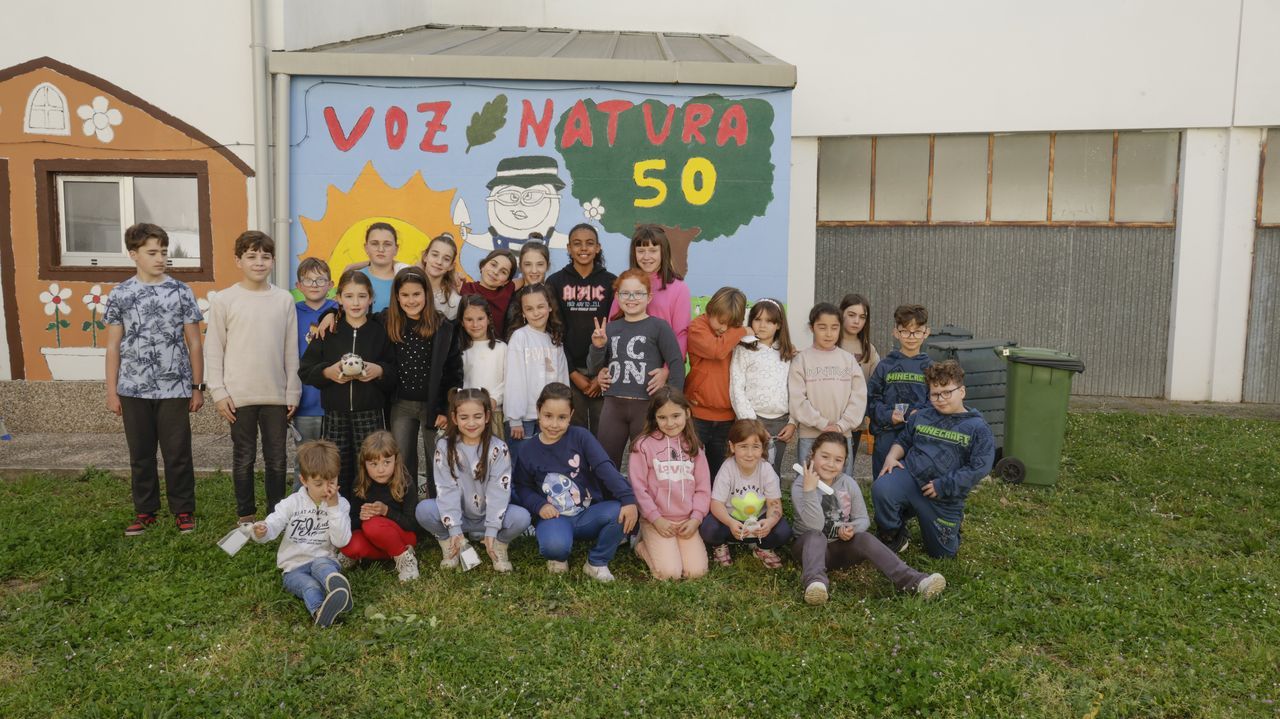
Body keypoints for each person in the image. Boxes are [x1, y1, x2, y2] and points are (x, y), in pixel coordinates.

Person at [104, 222, 205, 536]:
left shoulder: (180, 291)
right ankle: (145, 511)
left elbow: (194, 343)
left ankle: (183, 510)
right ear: (134, 255)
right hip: (133, 389)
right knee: (141, 455)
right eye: (152, 252)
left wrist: (197, 386)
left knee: (178, 453)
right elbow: (112, 345)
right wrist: (111, 391)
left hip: (174, 388)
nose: (160, 257)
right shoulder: (121, 294)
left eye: (163, 251)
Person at [204, 230, 300, 525]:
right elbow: (214, 349)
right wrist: (218, 392)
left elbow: (290, 350)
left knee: (277, 459)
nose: (259, 262)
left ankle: (275, 515)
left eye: (265, 256)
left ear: (272, 261)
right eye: (251, 256)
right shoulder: (224, 300)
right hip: (238, 397)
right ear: (238, 260)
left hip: (275, 396)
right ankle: (245, 514)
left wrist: (292, 391)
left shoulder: (283, 300)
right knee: (243, 457)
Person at [792, 431, 945, 606]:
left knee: (864, 537)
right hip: (808, 551)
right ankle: (815, 584)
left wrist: (851, 529)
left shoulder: (848, 483)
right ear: (812, 455)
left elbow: (863, 519)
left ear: (845, 462)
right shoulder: (800, 485)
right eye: (825, 456)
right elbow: (815, 526)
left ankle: (916, 581)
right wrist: (810, 490)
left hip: (838, 549)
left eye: (838, 460)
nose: (830, 464)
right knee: (815, 536)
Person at [512, 383, 638, 581]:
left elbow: (604, 467)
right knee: (556, 547)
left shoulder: (581, 437)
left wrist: (628, 499)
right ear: (538, 412)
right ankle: (558, 556)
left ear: (571, 415)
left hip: (587, 513)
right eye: (548, 416)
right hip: (554, 517)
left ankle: (597, 562)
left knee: (619, 511)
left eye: (562, 417)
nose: (554, 424)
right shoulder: (528, 449)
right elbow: (521, 486)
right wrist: (540, 505)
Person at [872, 360, 995, 558]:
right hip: (911, 478)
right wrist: (891, 457)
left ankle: (952, 525)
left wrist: (944, 485)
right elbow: (904, 440)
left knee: (942, 554)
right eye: (935, 394)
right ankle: (893, 533)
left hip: (942, 494)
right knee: (882, 488)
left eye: (947, 392)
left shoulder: (977, 428)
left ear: (961, 392)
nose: (941, 399)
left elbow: (979, 467)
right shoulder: (921, 416)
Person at [298, 270, 397, 498]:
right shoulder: (328, 330)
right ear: (339, 299)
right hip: (335, 413)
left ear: (371, 298)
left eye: (362, 296)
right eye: (349, 296)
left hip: (370, 413)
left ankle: (369, 513)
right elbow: (305, 370)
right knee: (337, 466)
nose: (356, 302)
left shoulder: (380, 331)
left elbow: (394, 372)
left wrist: (379, 371)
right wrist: (327, 372)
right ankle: (338, 516)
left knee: (370, 464)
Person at [415, 388, 532, 573]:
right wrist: (454, 529)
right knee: (423, 510)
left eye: (477, 416)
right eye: (464, 417)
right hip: (459, 516)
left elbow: (498, 491)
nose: (471, 423)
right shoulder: (444, 447)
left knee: (522, 517)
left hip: (489, 516)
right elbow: (446, 489)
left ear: (487, 417)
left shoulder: (498, 448)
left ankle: (498, 545)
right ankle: (451, 544)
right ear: (454, 418)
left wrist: (493, 529)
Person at [252, 439, 353, 627]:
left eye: (331, 482)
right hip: (293, 568)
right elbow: (275, 521)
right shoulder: (292, 503)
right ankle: (320, 611)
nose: (326, 489)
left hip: (324, 560)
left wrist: (333, 508)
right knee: (310, 586)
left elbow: (341, 541)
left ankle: (335, 587)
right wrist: (263, 530)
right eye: (318, 483)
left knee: (323, 567)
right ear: (304, 481)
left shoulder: (341, 505)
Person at [587, 269, 683, 466]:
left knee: (647, 464)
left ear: (649, 297)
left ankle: (643, 498)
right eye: (625, 293)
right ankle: (609, 497)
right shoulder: (611, 328)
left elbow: (676, 364)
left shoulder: (659, 327)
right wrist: (598, 347)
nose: (632, 298)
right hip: (613, 405)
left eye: (638, 293)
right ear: (617, 296)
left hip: (646, 406)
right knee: (605, 462)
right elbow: (594, 368)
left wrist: (672, 404)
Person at [382, 267, 462, 499]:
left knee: (437, 458)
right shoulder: (387, 321)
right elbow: (354, 317)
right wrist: (328, 314)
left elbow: (453, 371)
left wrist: (446, 409)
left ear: (426, 294)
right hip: (401, 404)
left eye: (416, 294)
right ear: (397, 296)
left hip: (434, 406)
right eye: (405, 295)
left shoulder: (443, 326)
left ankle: (438, 512)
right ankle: (408, 511)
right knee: (402, 458)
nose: (411, 300)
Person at [627, 387, 710, 581]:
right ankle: (642, 546)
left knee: (696, 573)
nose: (670, 423)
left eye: (676, 416)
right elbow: (639, 488)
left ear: (687, 413)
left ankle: (674, 548)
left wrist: (696, 518)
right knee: (669, 574)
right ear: (654, 418)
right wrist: (656, 518)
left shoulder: (695, 446)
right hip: (657, 520)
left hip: (686, 520)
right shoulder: (643, 446)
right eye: (662, 417)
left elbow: (703, 488)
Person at [546, 224, 616, 432]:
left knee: (602, 431)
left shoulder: (611, 282)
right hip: (568, 370)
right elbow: (553, 330)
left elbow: (617, 328)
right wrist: (572, 373)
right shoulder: (555, 281)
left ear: (598, 248)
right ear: (568, 248)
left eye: (589, 243)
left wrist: (602, 373)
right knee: (572, 431)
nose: (583, 248)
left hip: (603, 373)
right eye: (577, 244)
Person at [700, 419, 792, 569]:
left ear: (762, 447)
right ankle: (721, 545)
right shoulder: (727, 468)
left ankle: (761, 548)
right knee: (708, 527)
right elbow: (716, 504)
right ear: (732, 446)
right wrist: (730, 522)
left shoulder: (766, 469)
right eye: (743, 447)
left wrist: (769, 523)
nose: (749, 454)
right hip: (731, 523)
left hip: (758, 524)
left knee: (783, 531)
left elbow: (774, 504)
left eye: (755, 447)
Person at [788, 302, 866, 471]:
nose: (829, 334)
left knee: (841, 488)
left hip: (842, 435)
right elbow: (797, 401)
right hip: (810, 436)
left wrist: (840, 426)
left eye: (834, 328)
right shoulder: (801, 360)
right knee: (809, 486)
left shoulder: (848, 360)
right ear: (812, 328)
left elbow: (859, 398)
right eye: (822, 327)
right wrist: (822, 423)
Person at [686, 286, 749, 478]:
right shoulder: (697, 327)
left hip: (727, 416)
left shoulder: (732, 334)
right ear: (710, 309)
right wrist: (741, 331)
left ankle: (716, 508)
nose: (723, 328)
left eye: (730, 325)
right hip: (698, 413)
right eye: (721, 322)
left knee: (720, 472)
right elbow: (715, 350)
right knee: (692, 468)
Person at [729, 298, 797, 478]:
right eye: (757, 320)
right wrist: (752, 423)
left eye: (769, 321)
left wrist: (792, 423)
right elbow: (737, 388)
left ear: (779, 325)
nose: (762, 325)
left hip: (780, 424)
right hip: (752, 419)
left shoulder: (787, 353)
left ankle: (772, 506)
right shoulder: (743, 350)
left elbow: (796, 390)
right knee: (748, 470)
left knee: (772, 472)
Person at [341, 431, 419, 581]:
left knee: (373, 525)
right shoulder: (360, 483)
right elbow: (352, 522)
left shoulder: (405, 482)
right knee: (349, 546)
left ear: (396, 460)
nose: (381, 469)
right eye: (373, 464)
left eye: (386, 462)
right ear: (364, 464)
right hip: (374, 538)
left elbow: (413, 525)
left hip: (404, 536)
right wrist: (360, 517)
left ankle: (405, 560)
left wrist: (386, 511)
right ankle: (389, 554)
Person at [867, 304, 933, 478]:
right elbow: (871, 400)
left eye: (917, 331)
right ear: (895, 332)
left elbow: (937, 401)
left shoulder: (931, 369)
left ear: (926, 332)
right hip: (887, 435)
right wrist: (889, 415)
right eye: (905, 331)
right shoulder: (885, 366)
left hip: (919, 437)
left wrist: (921, 414)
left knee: (915, 483)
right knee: (884, 482)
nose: (911, 337)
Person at [504, 283, 569, 453]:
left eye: (540, 306)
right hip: (524, 419)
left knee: (546, 463)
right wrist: (515, 419)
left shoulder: (554, 340)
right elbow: (514, 380)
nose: (536, 312)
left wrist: (563, 412)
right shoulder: (520, 337)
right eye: (529, 308)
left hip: (549, 417)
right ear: (523, 313)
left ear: (549, 307)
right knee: (522, 465)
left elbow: (562, 381)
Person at [608, 225, 691, 356]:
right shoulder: (626, 284)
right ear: (634, 253)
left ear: (663, 252)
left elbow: (681, 335)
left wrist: (666, 370)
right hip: (627, 364)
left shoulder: (679, 288)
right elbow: (612, 325)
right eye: (641, 251)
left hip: (662, 366)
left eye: (653, 250)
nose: (646, 257)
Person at [292, 257, 338, 489]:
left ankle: (333, 506)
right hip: (305, 402)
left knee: (334, 459)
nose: (314, 284)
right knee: (305, 460)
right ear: (298, 286)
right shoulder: (291, 312)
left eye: (320, 279)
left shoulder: (340, 310)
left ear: (330, 284)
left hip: (333, 402)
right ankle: (299, 509)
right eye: (307, 280)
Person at [838, 293, 880, 464]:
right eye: (851, 315)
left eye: (862, 317)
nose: (857, 321)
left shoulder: (869, 350)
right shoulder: (829, 343)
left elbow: (877, 382)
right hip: (827, 419)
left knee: (846, 465)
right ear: (840, 314)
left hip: (854, 421)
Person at [459, 294, 507, 437]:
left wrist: (494, 399)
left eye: (480, 319)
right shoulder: (459, 351)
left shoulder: (502, 348)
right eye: (469, 320)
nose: (475, 324)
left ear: (488, 319)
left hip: (494, 412)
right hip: (467, 416)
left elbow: (509, 380)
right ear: (461, 322)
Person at [459, 249, 517, 338]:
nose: (496, 272)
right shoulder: (464, 288)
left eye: (503, 272)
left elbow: (526, 279)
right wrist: (453, 275)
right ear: (483, 266)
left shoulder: (506, 291)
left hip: (496, 348)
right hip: (466, 348)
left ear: (506, 281)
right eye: (493, 265)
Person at [355, 222, 410, 314]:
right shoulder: (355, 278)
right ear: (366, 248)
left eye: (387, 244)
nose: (381, 249)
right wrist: (330, 313)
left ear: (396, 249)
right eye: (374, 243)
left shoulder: (406, 279)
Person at [420, 233, 462, 321]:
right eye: (435, 255)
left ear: (451, 266)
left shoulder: (454, 301)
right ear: (425, 256)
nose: (439, 262)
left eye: (446, 259)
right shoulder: (406, 282)